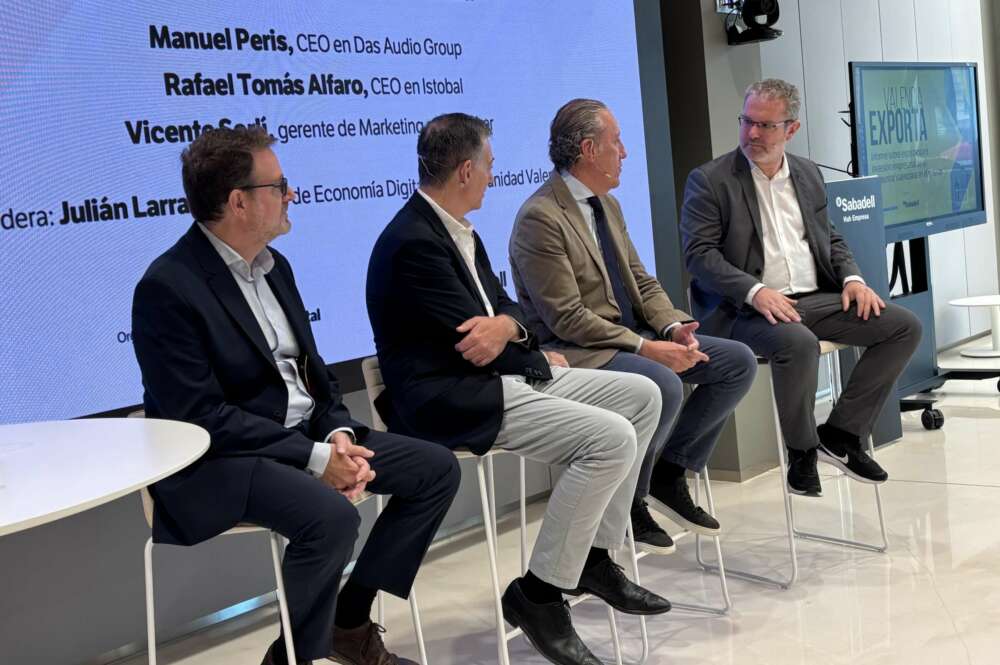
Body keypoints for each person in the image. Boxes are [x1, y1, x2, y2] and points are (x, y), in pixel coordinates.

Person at [131, 126, 460, 665]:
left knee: (435, 469)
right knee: (330, 517)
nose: (292, 195)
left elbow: (315, 378)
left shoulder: (275, 266)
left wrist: (337, 434)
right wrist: (317, 459)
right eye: (279, 185)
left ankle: (347, 623)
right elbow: (201, 418)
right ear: (238, 201)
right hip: (222, 461)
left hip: (305, 438)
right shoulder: (168, 287)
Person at [366, 113, 669, 665]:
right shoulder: (414, 242)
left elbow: (504, 315)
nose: (492, 174)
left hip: (496, 376)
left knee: (643, 397)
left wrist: (512, 330)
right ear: (464, 169)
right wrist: (515, 336)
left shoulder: (458, 229)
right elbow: (474, 342)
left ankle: (594, 557)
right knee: (612, 439)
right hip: (451, 398)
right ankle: (540, 593)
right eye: (487, 164)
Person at [509, 99, 757, 553]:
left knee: (735, 362)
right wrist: (646, 350)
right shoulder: (540, 218)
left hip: (632, 339)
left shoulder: (609, 205)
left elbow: (640, 280)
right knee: (663, 382)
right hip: (579, 350)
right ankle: (632, 501)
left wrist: (674, 328)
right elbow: (566, 317)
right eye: (616, 141)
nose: (624, 152)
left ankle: (669, 470)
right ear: (588, 149)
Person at [680, 78, 921, 496]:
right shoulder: (711, 180)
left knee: (903, 326)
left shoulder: (807, 173)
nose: (753, 133)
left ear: (791, 129)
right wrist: (755, 290)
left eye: (766, 125)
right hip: (743, 310)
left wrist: (853, 279)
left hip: (815, 298)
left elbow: (830, 238)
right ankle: (803, 451)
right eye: (747, 122)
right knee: (798, 342)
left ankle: (842, 434)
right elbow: (699, 256)